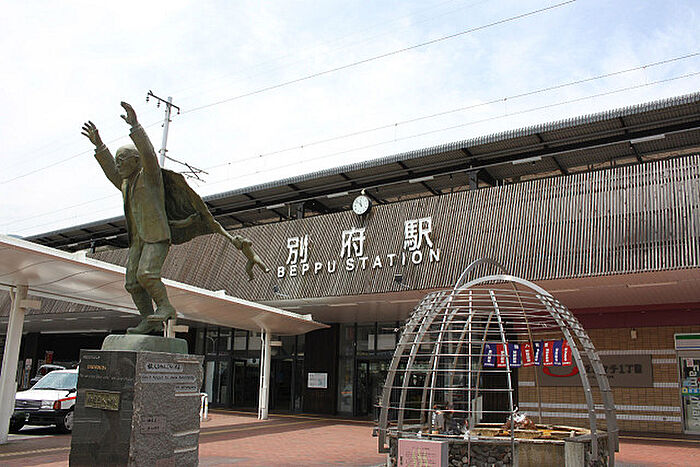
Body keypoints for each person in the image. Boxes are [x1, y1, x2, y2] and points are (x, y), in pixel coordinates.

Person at [82, 102, 269, 334]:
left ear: (136, 161)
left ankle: (165, 307)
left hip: (156, 236)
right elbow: (111, 170)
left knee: (147, 274)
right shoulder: (126, 183)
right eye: (117, 160)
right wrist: (99, 145)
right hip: (138, 239)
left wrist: (135, 126)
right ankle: (148, 320)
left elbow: (149, 154)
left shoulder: (149, 177)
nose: (118, 164)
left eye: (123, 159)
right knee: (132, 282)